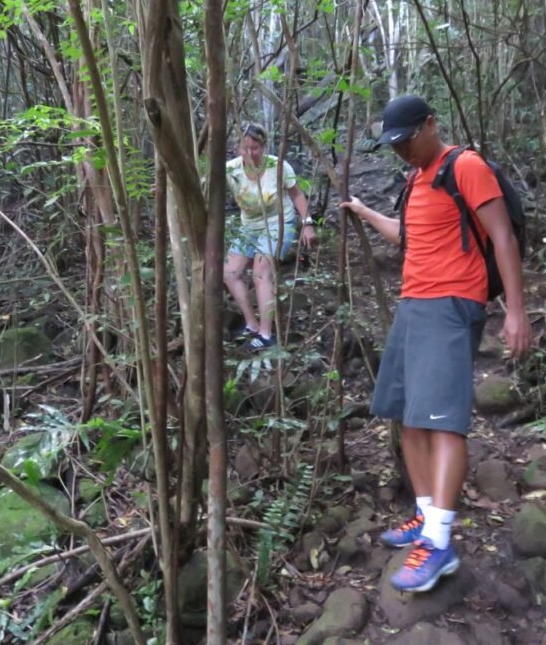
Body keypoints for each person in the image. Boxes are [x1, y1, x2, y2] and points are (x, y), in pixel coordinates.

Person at [341, 95, 530, 592]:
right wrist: (362, 212)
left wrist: (514, 311)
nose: (401, 151)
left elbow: (503, 237)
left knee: (443, 421)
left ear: (430, 124)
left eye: (407, 140)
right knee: (406, 414)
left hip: (452, 306)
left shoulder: (464, 166)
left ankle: (440, 543)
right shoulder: (417, 179)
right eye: (393, 145)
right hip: (413, 305)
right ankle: (426, 520)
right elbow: (408, 236)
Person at [224, 123, 316, 351]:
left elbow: (297, 195)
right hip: (249, 227)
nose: (250, 153)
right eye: (245, 148)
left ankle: (266, 334)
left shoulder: (278, 166)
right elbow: (200, 185)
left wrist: (306, 224)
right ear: (238, 148)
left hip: (279, 223)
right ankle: (252, 324)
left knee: (261, 272)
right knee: (229, 272)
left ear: (263, 147)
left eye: (255, 148)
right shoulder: (230, 169)